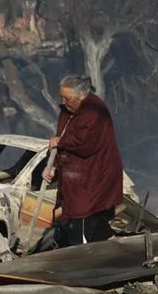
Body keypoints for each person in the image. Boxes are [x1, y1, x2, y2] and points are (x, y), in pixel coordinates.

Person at [42, 74, 123, 247]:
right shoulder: (68, 111)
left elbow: (85, 144)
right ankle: (111, 248)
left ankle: (83, 259)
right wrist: (54, 166)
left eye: (67, 98)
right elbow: (62, 137)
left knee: (84, 218)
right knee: (91, 221)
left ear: (82, 95)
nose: (63, 102)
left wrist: (59, 142)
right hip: (76, 179)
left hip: (93, 177)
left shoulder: (94, 112)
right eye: (62, 97)